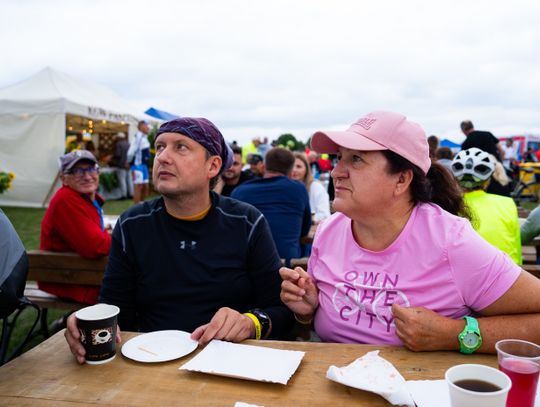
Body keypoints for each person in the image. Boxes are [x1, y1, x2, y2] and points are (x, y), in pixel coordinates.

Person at [280, 111, 540, 353]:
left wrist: (453, 334)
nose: (336, 172)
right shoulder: (328, 232)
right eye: (339, 158)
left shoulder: (451, 241)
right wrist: (307, 310)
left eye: (356, 159)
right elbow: (317, 326)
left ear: (402, 180)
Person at [65, 117, 293, 364]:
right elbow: (116, 308)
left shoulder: (247, 222)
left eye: (181, 147)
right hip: (151, 361)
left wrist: (249, 323)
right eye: (160, 147)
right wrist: (87, 324)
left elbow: (280, 311)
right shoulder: (132, 224)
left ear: (213, 166)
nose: (162, 157)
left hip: (229, 363)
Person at [40, 150, 111, 304]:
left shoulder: (84, 199)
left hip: (81, 277)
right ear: (63, 178)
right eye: (77, 171)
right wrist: (127, 240)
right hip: (74, 283)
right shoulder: (65, 200)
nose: (87, 176)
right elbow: (95, 246)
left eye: (91, 169)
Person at [232, 147, 311, 263]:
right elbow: (305, 229)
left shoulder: (240, 191)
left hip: (248, 264)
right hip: (287, 264)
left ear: (263, 167)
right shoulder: (299, 189)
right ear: (290, 171)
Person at [451, 148, 521, 265]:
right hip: (509, 271)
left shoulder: (448, 205)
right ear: (487, 181)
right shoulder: (507, 203)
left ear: (455, 180)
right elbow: (515, 244)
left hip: (467, 271)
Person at [460, 120, 509, 196]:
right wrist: (500, 163)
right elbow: (502, 151)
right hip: (498, 171)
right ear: (472, 126)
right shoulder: (488, 134)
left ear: (463, 130)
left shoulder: (466, 143)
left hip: (481, 176)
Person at [291, 152, 331, 223]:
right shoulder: (284, 188)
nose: (294, 170)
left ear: (306, 169)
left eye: (298, 166)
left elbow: (324, 215)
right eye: (291, 166)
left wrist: (305, 219)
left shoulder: (315, 187)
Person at [127, 120, 151, 203]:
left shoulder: (144, 137)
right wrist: (129, 162)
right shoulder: (138, 137)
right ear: (141, 127)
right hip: (137, 165)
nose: (148, 127)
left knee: (145, 186)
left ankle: (141, 204)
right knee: (138, 186)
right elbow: (130, 152)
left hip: (144, 165)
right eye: (146, 125)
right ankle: (136, 207)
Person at [108, 132, 133, 199]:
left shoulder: (118, 144)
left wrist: (111, 158)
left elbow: (118, 155)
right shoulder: (128, 144)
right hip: (128, 165)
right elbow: (131, 154)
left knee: (122, 180)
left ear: (118, 138)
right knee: (129, 180)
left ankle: (123, 195)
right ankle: (131, 194)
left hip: (121, 165)